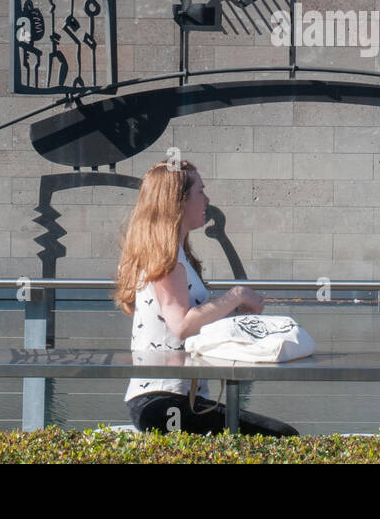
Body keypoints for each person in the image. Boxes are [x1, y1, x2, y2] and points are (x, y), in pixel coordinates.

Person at [115, 159, 298, 436]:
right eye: (200, 192)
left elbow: (185, 323)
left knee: (274, 435)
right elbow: (182, 325)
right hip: (165, 402)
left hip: (167, 400)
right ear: (178, 201)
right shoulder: (167, 261)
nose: (207, 199)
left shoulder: (171, 256)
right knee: (282, 437)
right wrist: (236, 296)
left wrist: (236, 316)